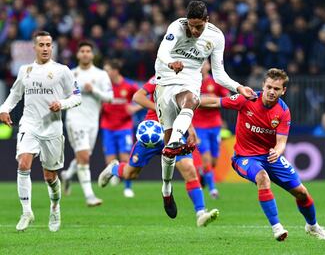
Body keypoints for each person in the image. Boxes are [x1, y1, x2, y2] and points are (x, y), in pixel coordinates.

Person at [201, 68, 325, 241]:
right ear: (263, 85)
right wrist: (190, 102)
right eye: (269, 87)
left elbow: (281, 142)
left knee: (301, 192)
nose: (271, 91)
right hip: (244, 157)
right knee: (263, 178)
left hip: (271, 157)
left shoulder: (283, 111)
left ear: (283, 91)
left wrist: (277, 152)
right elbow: (215, 102)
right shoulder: (246, 99)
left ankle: (313, 226)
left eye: (276, 89)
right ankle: (277, 228)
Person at [153, 0, 257, 215]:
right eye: (191, 25)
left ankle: (174, 142)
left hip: (190, 79)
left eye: (198, 26)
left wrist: (239, 88)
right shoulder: (176, 27)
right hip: (165, 79)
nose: (194, 30)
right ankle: (166, 189)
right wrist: (171, 62)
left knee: (191, 100)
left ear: (207, 21)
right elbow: (162, 52)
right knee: (169, 150)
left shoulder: (216, 37)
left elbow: (219, 74)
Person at [98, 76, 219, 226]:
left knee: (189, 169)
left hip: (174, 132)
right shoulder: (159, 78)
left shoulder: (186, 80)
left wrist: (191, 128)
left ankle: (201, 213)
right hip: (152, 133)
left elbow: (185, 108)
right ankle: (114, 168)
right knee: (130, 173)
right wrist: (160, 109)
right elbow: (137, 97)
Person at [0, 31, 81, 232]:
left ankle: (55, 207)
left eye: (48, 45)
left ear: (52, 47)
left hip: (52, 128)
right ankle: (26, 212)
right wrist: (3, 109)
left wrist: (61, 104)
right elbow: (15, 94)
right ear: (34, 47)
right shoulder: (25, 70)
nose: (45, 48)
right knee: (23, 162)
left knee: (50, 177)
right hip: (29, 124)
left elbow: (77, 97)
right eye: (41, 45)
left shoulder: (62, 71)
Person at [61, 41, 113, 206]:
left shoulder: (101, 75)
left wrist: (94, 90)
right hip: (75, 119)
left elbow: (110, 98)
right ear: (78, 54)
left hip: (92, 121)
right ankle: (90, 196)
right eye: (82, 51)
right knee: (83, 156)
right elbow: (61, 96)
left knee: (84, 155)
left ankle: (68, 175)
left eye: (88, 51)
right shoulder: (70, 74)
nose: (85, 53)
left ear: (92, 54)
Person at [100, 60, 139, 198]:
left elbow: (145, 96)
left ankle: (128, 187)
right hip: (107, 127)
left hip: (124, 127)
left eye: (107, 70)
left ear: (115, 71)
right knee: (110, 160)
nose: (105, 73)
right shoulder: (103, 86)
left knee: (125, 157)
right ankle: (114, 173)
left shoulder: (129, 85)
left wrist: (134, 107)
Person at [192, 60, 229, 199]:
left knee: (213, 161)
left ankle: (203, 173)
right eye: (200, 63)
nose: (202, 66)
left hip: (215, 125)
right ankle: (213, 190)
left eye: (205, 63)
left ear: (208, 66)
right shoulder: (192, 83)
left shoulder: (215, 82)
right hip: (199, 126)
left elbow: (227, 99)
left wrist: (214, 99)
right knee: (206, 158)